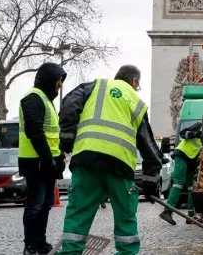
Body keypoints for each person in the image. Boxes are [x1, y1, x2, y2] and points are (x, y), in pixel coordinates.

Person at [57, 65, 163, 255]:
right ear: (134, 81)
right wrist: (151, 181)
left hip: (86, 160)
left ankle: (70, 252)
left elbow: (69, 105)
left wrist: (66, 140)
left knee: (78, 213)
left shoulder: (94, 86)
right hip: (120, 166)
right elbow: (149, 146)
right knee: (125, 217)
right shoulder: (136, 102)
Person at [18, 62, 67, 255]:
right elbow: (35, 132)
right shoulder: (33, 98)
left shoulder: (46, 100)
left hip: (46, 161)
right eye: (58, 80)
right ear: (48, 79)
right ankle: (30, 245)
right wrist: (49, 159)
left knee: (44, 205)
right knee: (36, 205)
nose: (60, 85)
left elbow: (51, 135)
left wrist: (58, 156)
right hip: (36, 162)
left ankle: (40, 243)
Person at [159, 122, 203, 225]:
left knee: (193, 187)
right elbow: (183, 133)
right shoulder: (200, 125)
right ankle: (167, 211)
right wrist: (195, 133)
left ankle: (191, 216)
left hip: (192, 160)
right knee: (179, 182)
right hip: (182, 155)